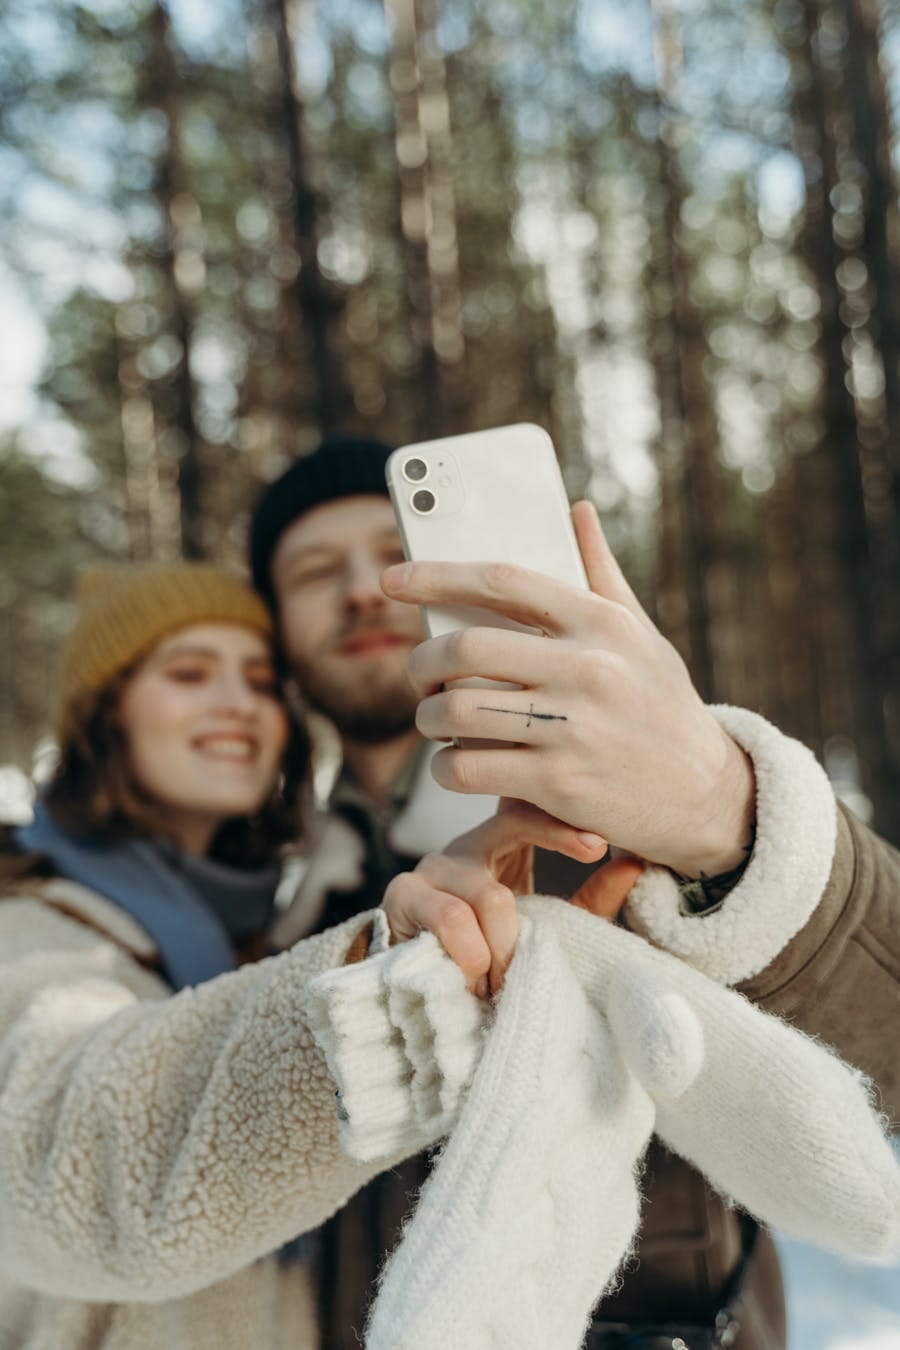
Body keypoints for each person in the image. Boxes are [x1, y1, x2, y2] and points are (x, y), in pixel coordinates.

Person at [250, 436, 900, 1350]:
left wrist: (722, 810)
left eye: (392, 553)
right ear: (276, 626)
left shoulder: (619, 804)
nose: (362, 588)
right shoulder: (277, 890)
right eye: (317, 570)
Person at [0, 561, 593, 1349]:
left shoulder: (262, 927)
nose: (236, 704)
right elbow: (66, 1156)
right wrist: (378, 993)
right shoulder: (29, 918)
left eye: (259, 679)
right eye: (188, 672)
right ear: (103, 716)